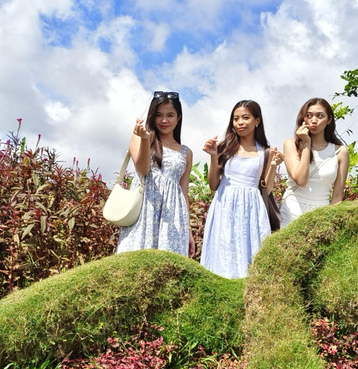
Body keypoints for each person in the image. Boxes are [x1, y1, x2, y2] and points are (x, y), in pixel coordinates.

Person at [200, 100, 284, 278]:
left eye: (246, 117)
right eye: (236, 118)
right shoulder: (223, 147)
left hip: (251, 208)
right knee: (222, 249)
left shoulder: (266, 152)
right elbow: (214, 185)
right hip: (224, 204)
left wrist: (274, 165)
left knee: (249, 253)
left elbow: (266, 189)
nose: (240, 122)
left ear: (257, 121)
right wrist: (214, 157)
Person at [116, 91, 195, 257]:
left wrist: (188, 230)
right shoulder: (140, 137)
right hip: (145, 208)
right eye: (159, 115)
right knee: (134, 259)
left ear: (178, 118)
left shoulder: (186, 153)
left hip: (172, 216)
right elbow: (143, 169)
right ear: (152, 116)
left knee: (168, 265)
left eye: (170, 115)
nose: (164, 120)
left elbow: (184, 192)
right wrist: (145, 140)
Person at [280, 97, 348, 227]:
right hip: (291, 213)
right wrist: (306, 143)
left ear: (329, 120)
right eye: (309, 115)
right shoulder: (291, 144)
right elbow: (301, 180)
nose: (313, 120)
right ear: (303, 119)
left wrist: (331, 223)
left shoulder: (341, 151)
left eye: (320, 116)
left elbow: (338, 195)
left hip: (321, 215)